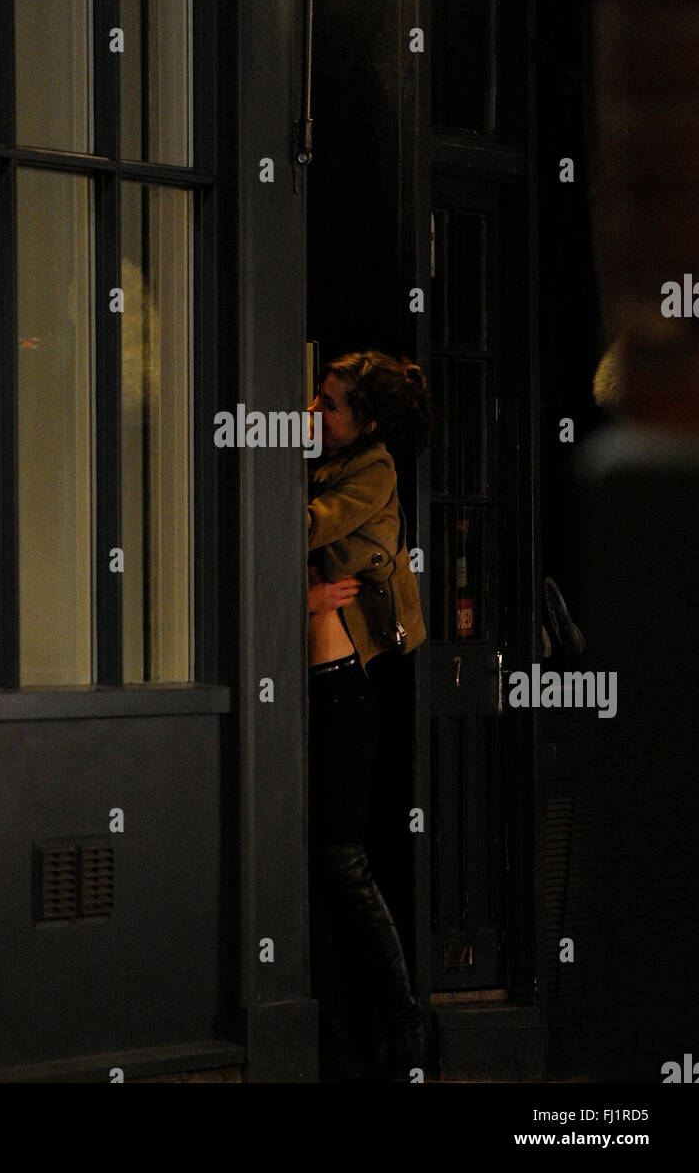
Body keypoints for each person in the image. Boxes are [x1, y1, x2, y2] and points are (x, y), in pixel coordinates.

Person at [306, 349, 429, 1082]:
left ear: (367, 422)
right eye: (317, 397)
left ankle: (402, 1021)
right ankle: (346, 1032)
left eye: (331, 404)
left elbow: (284, 526)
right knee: (316, 865)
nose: (316, 412)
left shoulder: (370, 470)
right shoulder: (320, 455)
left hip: (341, 689)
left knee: (340, 861)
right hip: (303, 684)